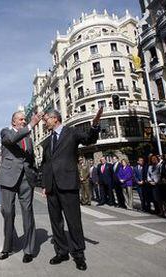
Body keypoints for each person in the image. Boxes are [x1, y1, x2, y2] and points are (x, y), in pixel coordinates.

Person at [41, 108, 102, 271]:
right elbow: (45, 165)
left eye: (46, 119)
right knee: (56, 222)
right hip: (52, 188)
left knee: (73, 221)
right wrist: (45, 185)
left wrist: (95, 126)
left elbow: (89, 139)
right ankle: (61, 252)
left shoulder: (71, 132)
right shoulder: (47, 141)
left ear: (55, 119)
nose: (45, 122)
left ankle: (79, 255)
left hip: (68, 184)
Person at [0, 111, 42, 263]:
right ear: (13, 121)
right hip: (8, 178)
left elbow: (31, 157)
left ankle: (28, 249)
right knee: (8, 212)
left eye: (25, 119)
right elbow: (11, 140)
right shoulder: (6, 132)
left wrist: (34, 173)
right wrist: (31, 125)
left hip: (26, 179)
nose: (24, 121)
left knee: (28, 213)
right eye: (21, 119)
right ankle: (7, 247)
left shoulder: (28, 139)